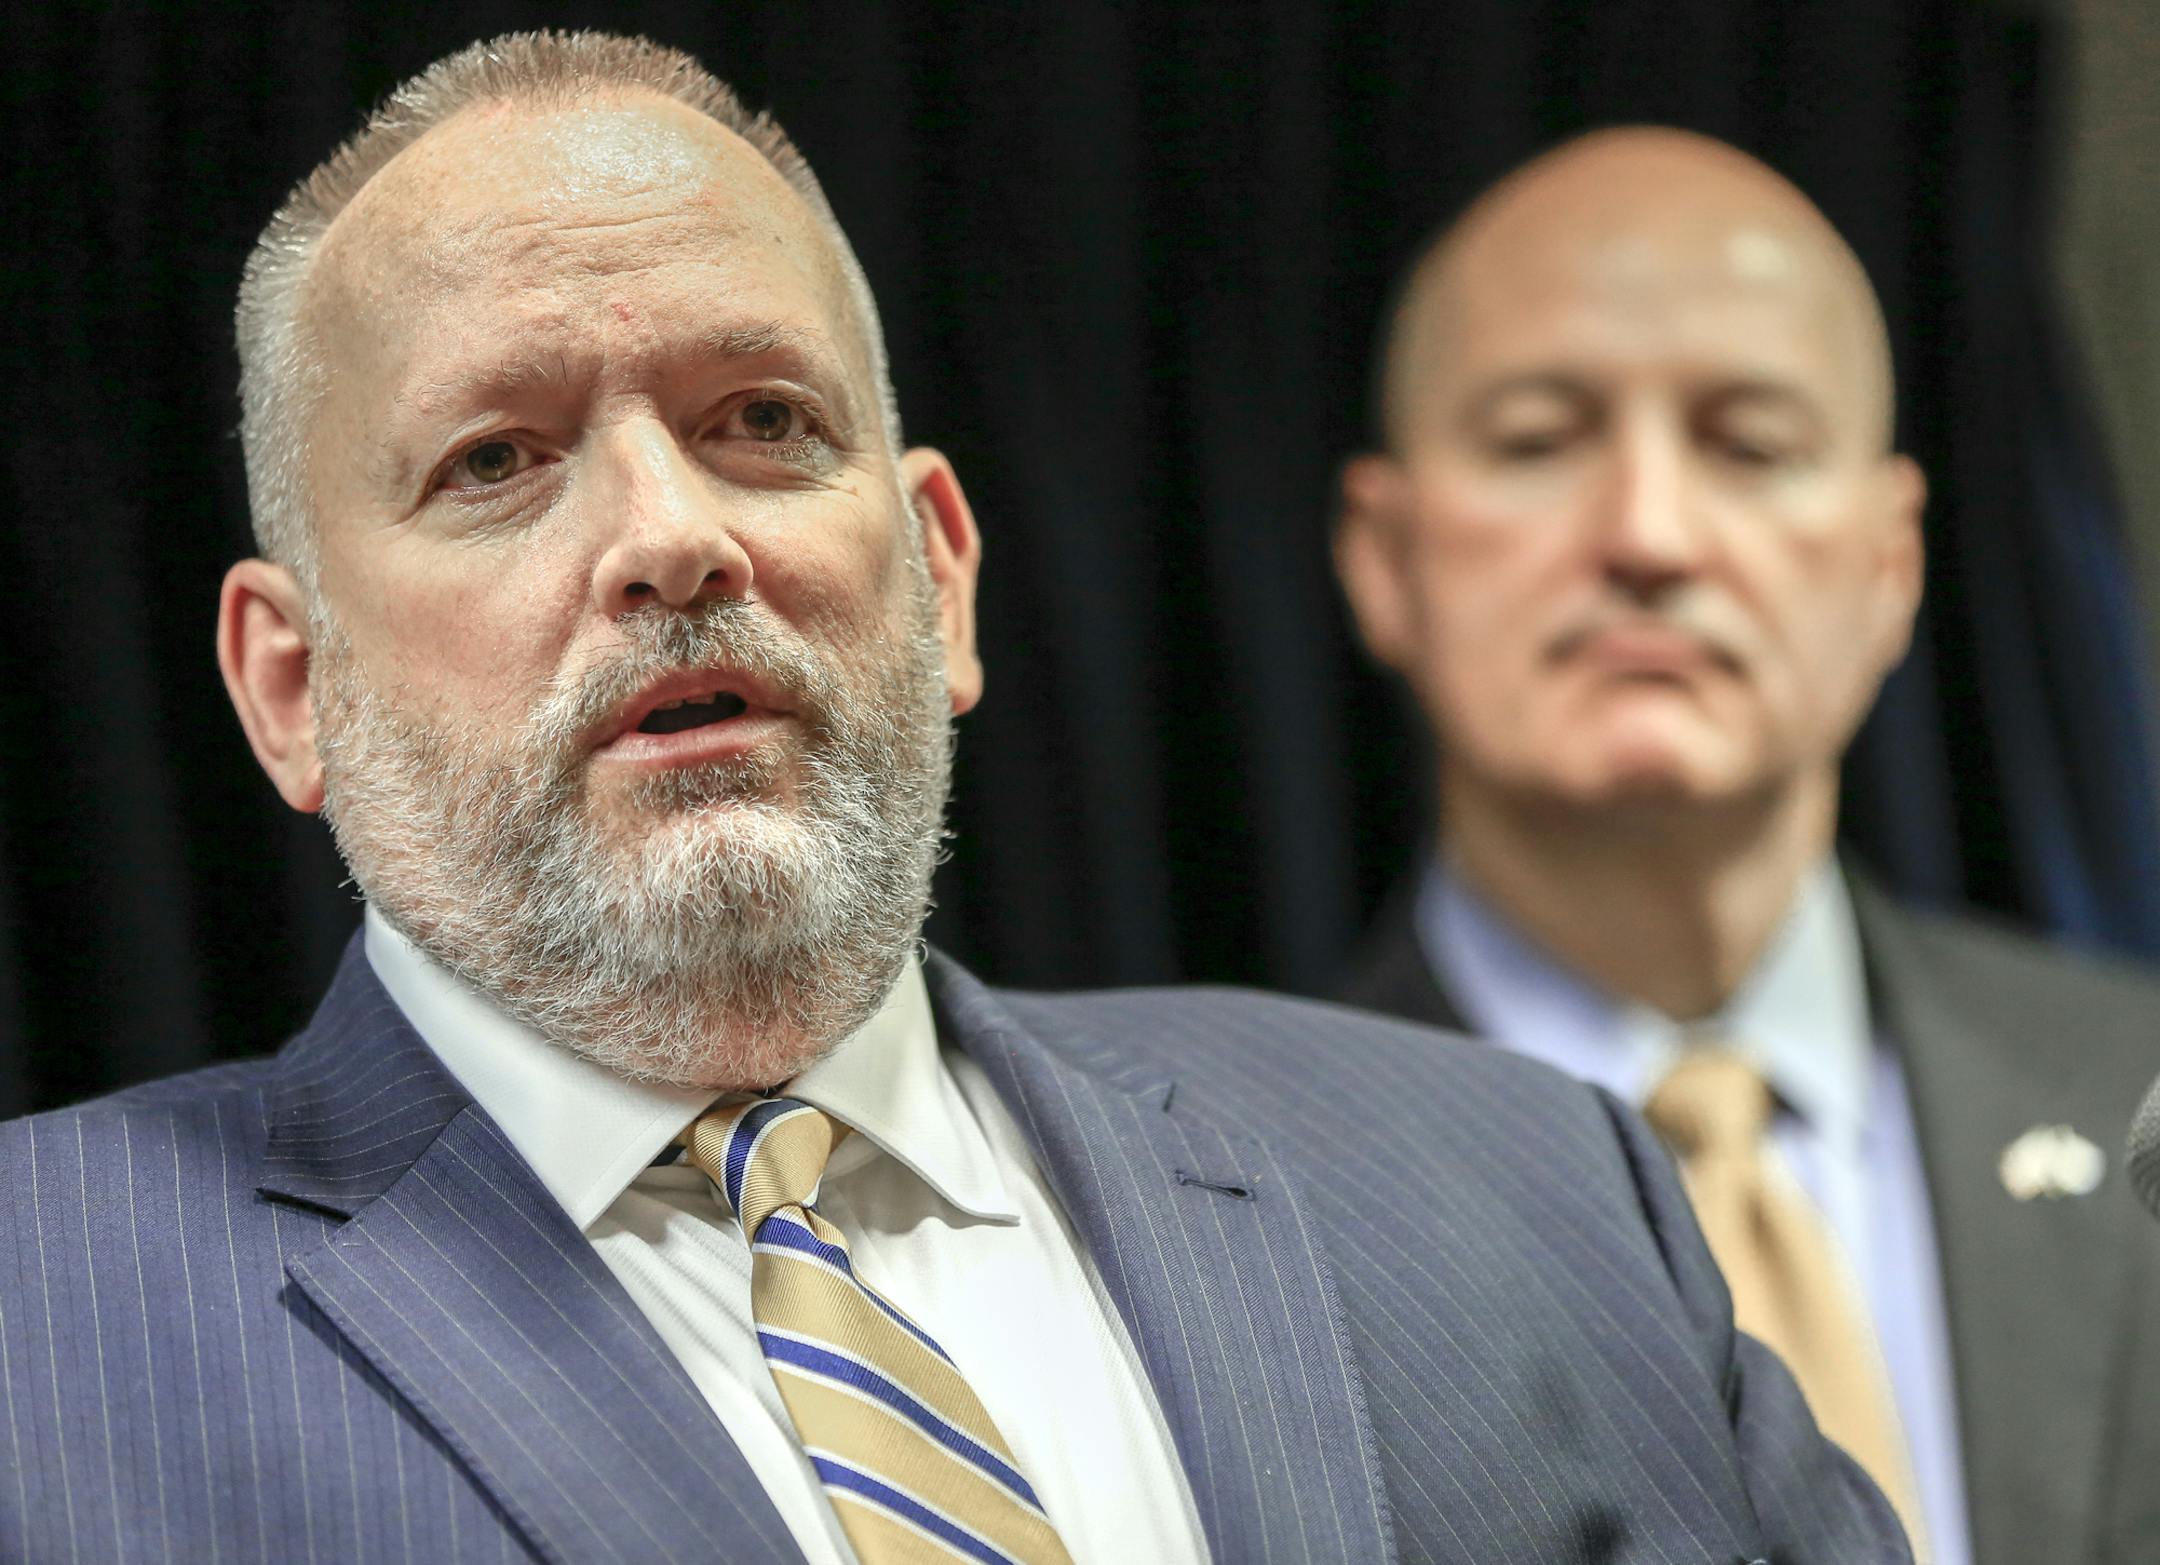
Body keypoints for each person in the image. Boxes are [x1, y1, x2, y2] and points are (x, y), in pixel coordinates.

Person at [0, 38, 1906, 1564]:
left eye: (764, 422)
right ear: (289, 685)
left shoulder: (1523, 1185)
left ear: (942, 571)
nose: (675, 537)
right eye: (497, 459)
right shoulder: (46, 1338)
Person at [1333, 126, 2160, 1565]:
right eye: (1538, 440)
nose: (1650, 532)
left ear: (1892, 562)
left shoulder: (2136, 1086)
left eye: (1751, 444)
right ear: (1385, 559)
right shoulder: (1225, 1205)